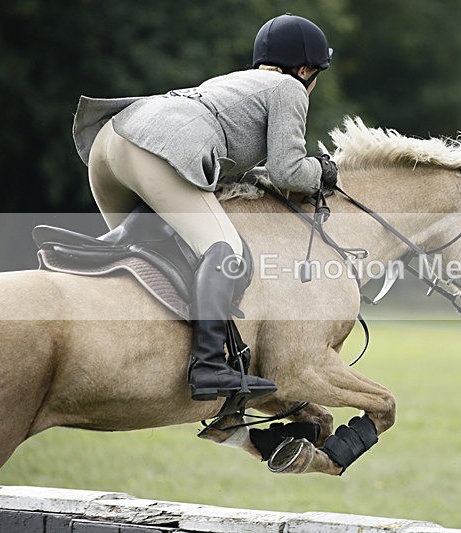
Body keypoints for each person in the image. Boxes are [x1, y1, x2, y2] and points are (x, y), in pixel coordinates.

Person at [71, 14, 339, 403]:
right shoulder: (289, 88)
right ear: (305, 69)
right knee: (227, 252)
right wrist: (324, 170)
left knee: (156, 260)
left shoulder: (232, 82)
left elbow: (248, 171)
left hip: (110, 143)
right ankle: (209, 366)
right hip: (156, 150)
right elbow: (289, 170)